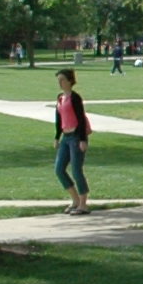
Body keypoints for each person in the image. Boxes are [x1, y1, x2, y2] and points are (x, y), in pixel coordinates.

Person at [54, 67, 93, 214]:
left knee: (76, 170)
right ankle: (75, 200)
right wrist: (57, 137)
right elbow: (59, 120)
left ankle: (83, 204)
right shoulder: (60, 98)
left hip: (76, 136)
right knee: (59, 169)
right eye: (58, 80)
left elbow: (81, 119)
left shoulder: (75, 98)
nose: (60, 83)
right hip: (65, 137)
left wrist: (83, 140)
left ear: (70, 81)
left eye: (62, 80)